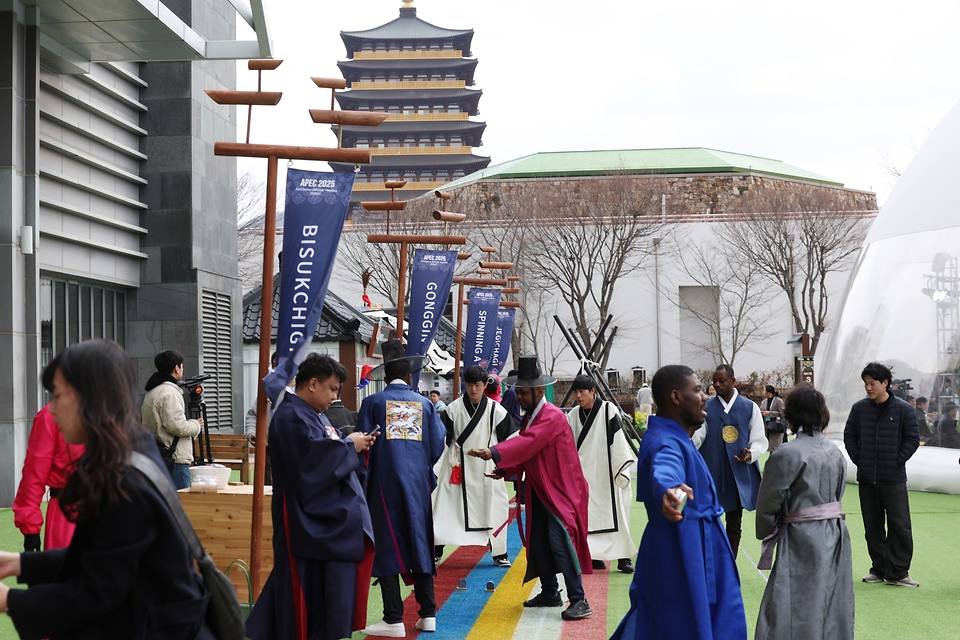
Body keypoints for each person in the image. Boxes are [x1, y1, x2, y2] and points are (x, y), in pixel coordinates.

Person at [0, 339, 212, 638]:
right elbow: (99, 556)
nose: (53, 410)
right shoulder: (130, 451)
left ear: (90, 398)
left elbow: (98, 590)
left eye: (59, 395)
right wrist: (17, 562)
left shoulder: (122, 479)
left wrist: (9, 599)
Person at [246, 354, 377, 640]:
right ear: (313, 383)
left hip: (320, 520)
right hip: (302, 518)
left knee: (321, 598)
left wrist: (353, 446)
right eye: (332, 389)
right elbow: (310, 464)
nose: (334, 396)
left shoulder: (312, 415)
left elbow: (324, 453)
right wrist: (348, 447)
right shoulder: (291, 415)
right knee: (301, 600)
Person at [611, 364, 746, 640]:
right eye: (696, 390)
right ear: (675, 397)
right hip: (682, 553)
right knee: (676, 625)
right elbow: (665, 467)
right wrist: (668, 490)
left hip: (693, 547)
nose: (705, 396)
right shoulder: (665, 440)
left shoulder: (675, 436)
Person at [468, 355, 593, 621]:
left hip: (561, 491)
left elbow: (527, 444)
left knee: (560, 541)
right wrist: (504, 469)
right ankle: (550, 591)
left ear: (538, 392)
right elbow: (528, 449)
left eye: (523, 393)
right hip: (543, 489)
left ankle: (580, 599)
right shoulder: (535, 416)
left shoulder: (551, 417)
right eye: (518, 392)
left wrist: (494, 453)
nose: (519, 398)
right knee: (538, 539)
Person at [357, 339, 445, 637]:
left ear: (385, 374)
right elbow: (437, 445)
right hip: (417, 484)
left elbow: (363, 448)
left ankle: (393, 617)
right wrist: (419, 467)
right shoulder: (426, 405)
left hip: (383, 483)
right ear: (409, 376)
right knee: (420, 540)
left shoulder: (372, 403)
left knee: (387, 543)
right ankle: (428, 612)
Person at [754, 384, 854, 639]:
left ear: (792, 416)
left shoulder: (786, 453)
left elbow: (769, 501)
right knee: (832, 597)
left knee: (792, 598)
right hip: (836, 530)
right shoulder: (835, 451)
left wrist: (766, 530)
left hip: (801, 533)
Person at [843, 361, 920, 587]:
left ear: (886, 383)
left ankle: (898, 572)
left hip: (894, 478)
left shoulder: (904, 409)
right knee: (873, 526)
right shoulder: (859, 409)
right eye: (866, 383)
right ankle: (879, 568)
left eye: (872, 383)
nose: (868, 387)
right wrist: (861, 460)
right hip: (867, 479)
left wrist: (897, 460)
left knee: (900, 525)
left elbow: (912, 439)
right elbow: (850, 437)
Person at [433, 366, 518, 567]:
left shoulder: (496, 410)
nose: (473, 389)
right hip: (457, 468)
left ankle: (499, 553)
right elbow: (440, 439)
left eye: (477, 385)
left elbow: (513, 439)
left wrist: (501, 460)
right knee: (444, 508)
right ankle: (436, 551)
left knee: (495, 507)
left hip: (486, 468)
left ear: (484, 385)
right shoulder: (452, 409)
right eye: (469, 385)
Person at [692, 365, 767, 557]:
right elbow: (697, 438)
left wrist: (750, 453)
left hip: (737, 473)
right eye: (714, 381)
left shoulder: (749, 407)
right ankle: (711, 561)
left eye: (721, 380)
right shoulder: (706, 407)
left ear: (733, 381)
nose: (716, 384)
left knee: (734, 524)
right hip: (712, 472)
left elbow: (759, 440)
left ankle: (729, 564)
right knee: (709, 521)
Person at [566, 375, 636, 573]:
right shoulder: (572, 416)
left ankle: (623, 558)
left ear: (593, 391)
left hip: (607, 472)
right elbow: (568, 446)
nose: (578, 396)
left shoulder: (608, 410)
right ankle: (594, 556)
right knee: (589, 516)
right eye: (575, 392)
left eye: (582, 392)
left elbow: (618, 439)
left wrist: (620, 468)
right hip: (584, 475)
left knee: (618, 513)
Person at [13, 405, 85, 552]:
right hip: (67, 514)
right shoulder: (51, 416)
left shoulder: (112, 410)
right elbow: (34, 475)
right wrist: (30, 528)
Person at [142, 349, 203, 490]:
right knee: (181, 505)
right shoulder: (170, 393)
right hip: (175, 458)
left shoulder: (152, 391)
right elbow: (177, 426)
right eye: (182, 366)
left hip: (158, 454)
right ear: (177, 368)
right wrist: (196, 425)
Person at [761, 385, 787, 452]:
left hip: (776, 427)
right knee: (769, 447)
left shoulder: (779, 401)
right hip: (767, 426)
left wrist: (770, 413)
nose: (763, 392)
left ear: (768, 392)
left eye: (764, 390)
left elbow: (782, 413)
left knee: (775, 447)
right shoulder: (764, 402)